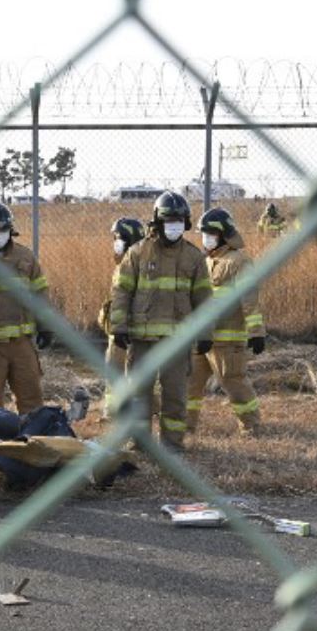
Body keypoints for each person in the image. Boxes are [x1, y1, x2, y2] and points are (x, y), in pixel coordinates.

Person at [108, 191, 211, 449]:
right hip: (142, 340)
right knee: (140, 393)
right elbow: (121, 292)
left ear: (186, 223)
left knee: (175, 394)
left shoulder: (194, 257)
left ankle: (172, 444)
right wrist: (118, 327)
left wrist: (206, 333)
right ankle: (140, 442)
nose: (173, 225)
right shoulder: (137, 252)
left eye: (178, 220)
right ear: (157, 221)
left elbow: (204, 299)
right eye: (168, 220)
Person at [186, 207, 265, 436]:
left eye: (210, 233)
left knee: (233, 382)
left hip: (227, 339)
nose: (205, 238)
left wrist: (256, 332)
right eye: (204, 233)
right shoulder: (208, 261)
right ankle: (184, 426)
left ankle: (251, 426)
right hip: (202, 338)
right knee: (190, 383)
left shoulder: (239, 261)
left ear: (223, 235)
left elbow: (249, 299)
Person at [0, 201, 51, 413]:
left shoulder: (25, 257)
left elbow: (41, 293)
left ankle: (32, 441)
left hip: (22, 344)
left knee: (32, 399)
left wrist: (46, 326)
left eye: (3, 229)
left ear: (11, 230)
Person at [99, 217, 147, 414]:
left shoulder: (133, 266)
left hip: (125, 330)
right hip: (118, 328)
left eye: (117, 238)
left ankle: (118, 410)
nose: (115, 243)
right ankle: (114, 409)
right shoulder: (126, 263)